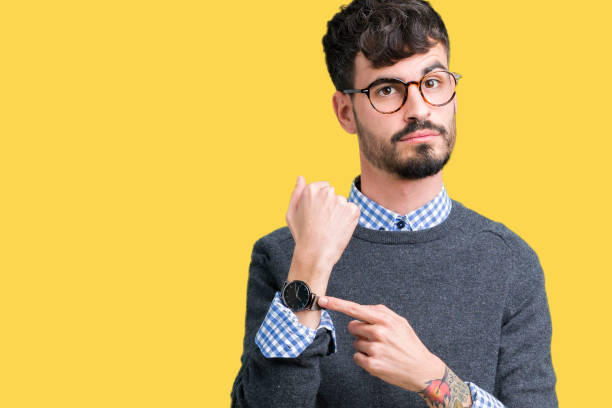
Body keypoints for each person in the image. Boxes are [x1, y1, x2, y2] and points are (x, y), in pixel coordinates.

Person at [230, 0, 557, 407]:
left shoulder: (509, 261)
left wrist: (433, 379)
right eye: (387, 90)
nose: (419, 109)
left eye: (433, 82)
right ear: (346, 112)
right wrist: (310, 268)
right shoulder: (285, 255)